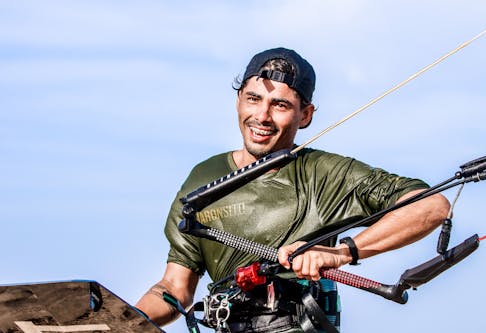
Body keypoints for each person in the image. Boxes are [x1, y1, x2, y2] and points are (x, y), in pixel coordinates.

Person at [135, 47, 450, 332]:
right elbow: (175, 287)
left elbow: (431, 206)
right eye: (253, 98)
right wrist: (122, 321)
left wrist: (340, 252)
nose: (261, 116)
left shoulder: (325, 174)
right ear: (238, 100)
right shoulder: (203, 177)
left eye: (280, 105)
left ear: (306, 115)